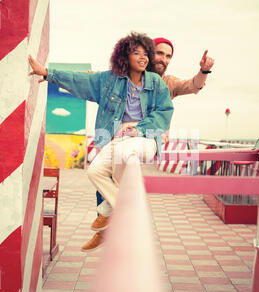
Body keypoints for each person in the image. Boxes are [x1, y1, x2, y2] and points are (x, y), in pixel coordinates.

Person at [28, 32, 174, 252]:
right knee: (94, 171)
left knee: (123, 153)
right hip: (117, 138)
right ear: (125, 57)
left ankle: (107, 214)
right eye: (137, 53)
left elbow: (165, 111)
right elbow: (80, 80)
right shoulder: (108, 80)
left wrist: (139, 128)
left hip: (146, 137)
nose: (143, 58)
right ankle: (116, 209)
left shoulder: (156, 83)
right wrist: (48, 73)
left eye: (146, 53)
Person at [91, 37, 215, 251]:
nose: (163, 59)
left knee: (124, 180)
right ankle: (107, 229)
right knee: (104, 178)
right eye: (159, 53)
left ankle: (119, 232)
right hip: (120, 140)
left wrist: (203, 71)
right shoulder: (126, 78)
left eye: (168, 56)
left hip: (144, 143)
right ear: (148, 54)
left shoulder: (167, 83)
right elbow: (96, 81)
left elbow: (192, 85)